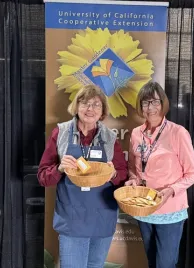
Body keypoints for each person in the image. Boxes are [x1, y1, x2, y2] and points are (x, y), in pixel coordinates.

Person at [37, 84, 127, 268]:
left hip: (102, 217)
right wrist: (60, 168)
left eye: (96, 104)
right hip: (72, 219)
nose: (89, 109)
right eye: (84, 103)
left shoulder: (110, 138)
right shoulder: (60, 133)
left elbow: (123, 175)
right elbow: (43, 177)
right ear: (76, 107)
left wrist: (113, 173)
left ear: (102, 111)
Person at [126, 82, 194, 268]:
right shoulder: (136, 134)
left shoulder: (177, 132)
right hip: (145, 208)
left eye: (155, 102)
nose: (150, 108)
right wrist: (133, 180)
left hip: (170, 210)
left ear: (163, 103)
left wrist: (170, 190)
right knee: (152, 262)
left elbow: (192, 173)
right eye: (145, 103)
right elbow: (134, 168)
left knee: (165, 264)